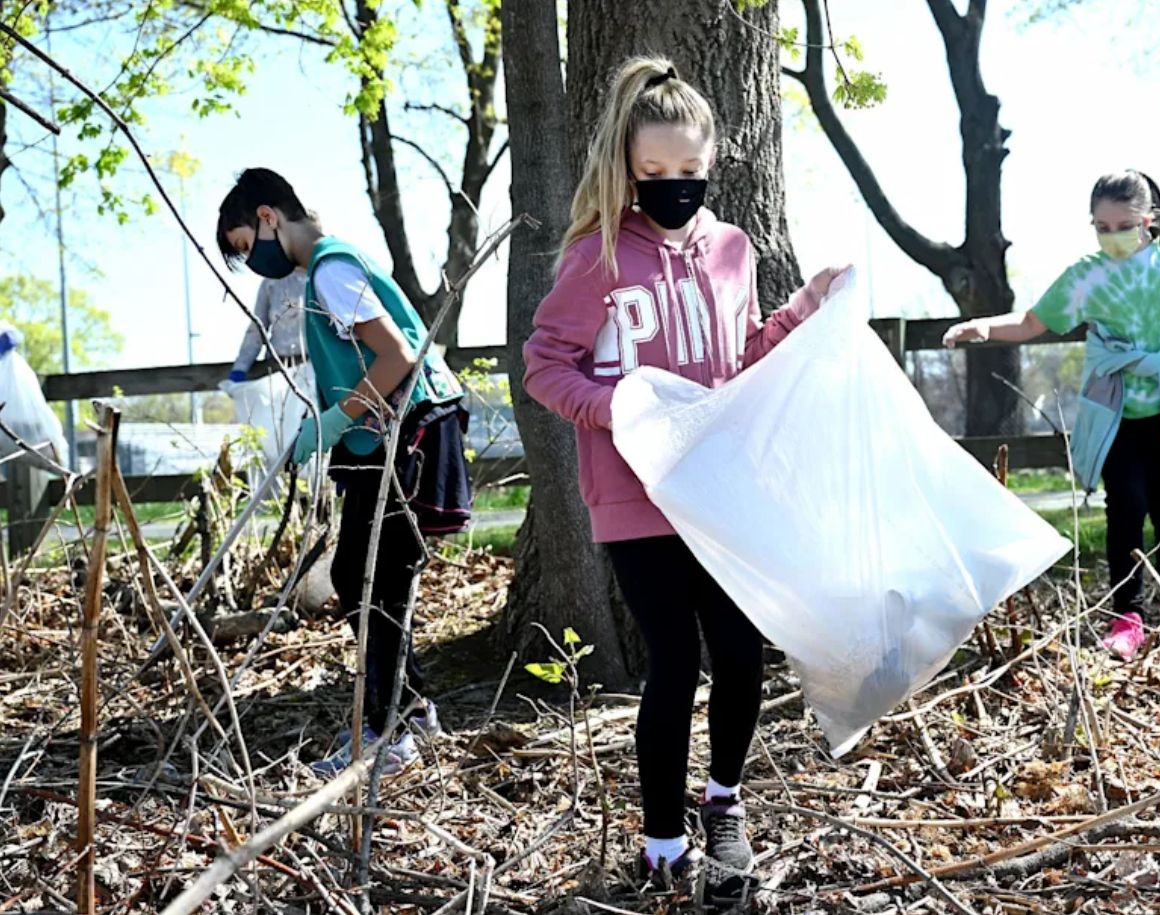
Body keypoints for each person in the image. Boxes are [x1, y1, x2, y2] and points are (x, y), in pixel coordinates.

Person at [523, 57, 846, 901]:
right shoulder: (596, 254)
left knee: (740, 653)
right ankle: (662, 840)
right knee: (672, 662)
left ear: (712, 161)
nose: (673, 184)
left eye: (689, 169)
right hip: (635, 496)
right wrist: (620, 410)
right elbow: (545, 367)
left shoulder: (732, 249)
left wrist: (804, 307)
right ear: (627, 167)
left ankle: (723, 802)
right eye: (653, 170)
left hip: (719, 488)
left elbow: (742, 358)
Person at [942, 171, 1160, 657]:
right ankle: (1127, 614)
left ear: (1150, 220)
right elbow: (1033, 321)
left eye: (1123, 225)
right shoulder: (1087, 275)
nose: (1112, 236)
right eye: (1101, 227)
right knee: (1125, 505)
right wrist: (983, 327)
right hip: (1117, 407)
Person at [216, 168, 473, 776]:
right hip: (380, 434)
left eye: (247, 246)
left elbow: (396, 358)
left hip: (406, 434)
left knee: (372, 578)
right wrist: (332, 422)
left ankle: (391, 732)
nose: (253, 263)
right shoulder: (328, 268)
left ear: (269, 217)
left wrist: (334, 420)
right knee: (363, 575)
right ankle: (410, 712)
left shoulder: (331, 271)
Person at [219, 270, 314, 490]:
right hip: (279, 374)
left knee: (311, 434)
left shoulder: (318, 275)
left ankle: (317, 493)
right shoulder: (271, 283)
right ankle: (287, 492)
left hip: (314, 372)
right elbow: (257, 329)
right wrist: (240, 369)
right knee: (279, 437)